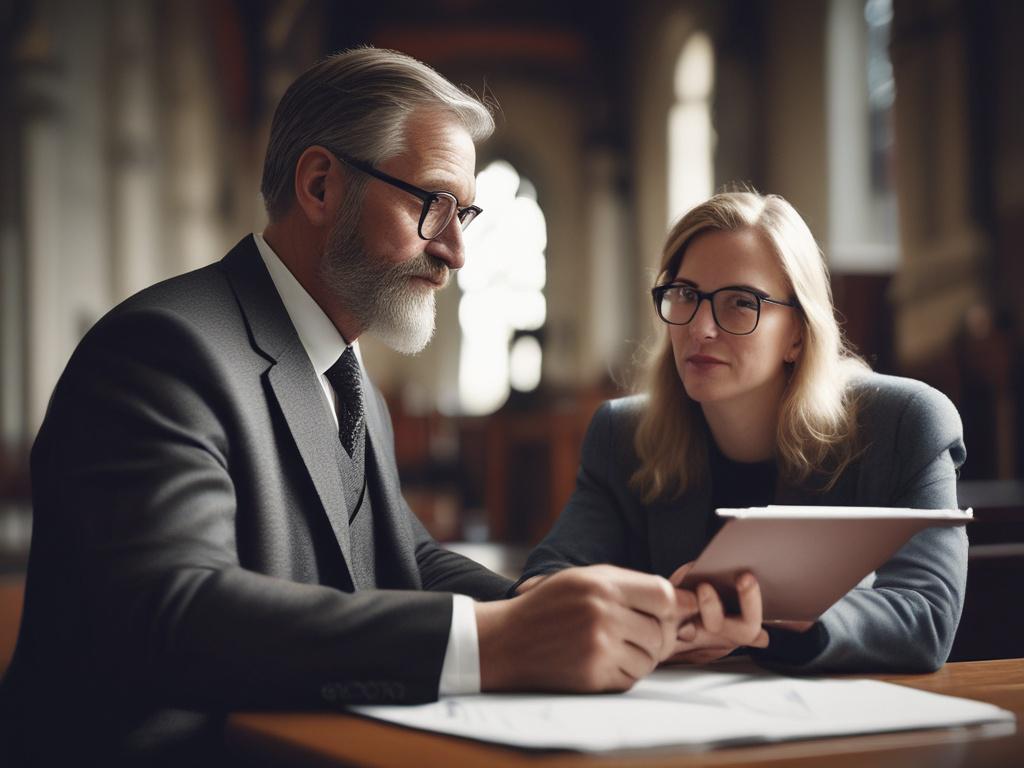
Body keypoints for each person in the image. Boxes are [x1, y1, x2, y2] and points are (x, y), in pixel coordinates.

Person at [0, 48, 693, 765]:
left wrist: (589, 615)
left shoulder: (342, 365)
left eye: (466, 213)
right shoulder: (164, 350)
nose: (456, 251)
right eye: (432, 204)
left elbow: (405, 555)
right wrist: (495, 641)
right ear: (322, 185)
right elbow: (178, 610)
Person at [517, 190, 968, 671]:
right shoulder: (622, 435)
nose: (700, 328)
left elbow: (926, 617)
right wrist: (661, 610)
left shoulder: (905, 423)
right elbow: (543, 584)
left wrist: (762, 615)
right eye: (686, 295)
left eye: (739, 302)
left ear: (797, 332)